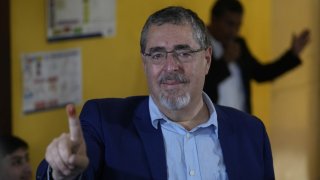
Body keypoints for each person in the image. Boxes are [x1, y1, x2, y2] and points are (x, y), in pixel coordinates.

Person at [36, 6, 274, 180]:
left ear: (207, 59)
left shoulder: (252, 132)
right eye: (157, 55)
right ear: (145, 64)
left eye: (183, 52)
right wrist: (61, 171)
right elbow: (73, 166)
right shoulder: (105, 122)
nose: (170, 67)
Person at [204, 0, 310, 113]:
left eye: (238, 25)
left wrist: (292, 54)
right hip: (210, 124)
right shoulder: (199, 44)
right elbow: (199, 86)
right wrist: (224, 63)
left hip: (240, 123)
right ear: (214, 19)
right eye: (230, 24)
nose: (234, 31)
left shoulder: (239, 44)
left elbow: (261, 73)